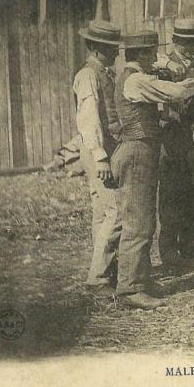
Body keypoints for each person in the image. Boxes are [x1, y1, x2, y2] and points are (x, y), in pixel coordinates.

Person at [112, 30, 194, 310]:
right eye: (151, 52)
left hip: (142, 149)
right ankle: (130, 288)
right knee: (138, 222)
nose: (156, 56)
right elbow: (175, 92)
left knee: (144, 220)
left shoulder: (136, 76)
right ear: (140, 54)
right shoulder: (136, 79)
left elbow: (165, 69)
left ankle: (140, 279)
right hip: (137, 150)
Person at [74, 20, 123, 298]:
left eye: (114, 48)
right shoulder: (88, 76)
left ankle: (104, 270)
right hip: (98, 150)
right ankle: (98, 277)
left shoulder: (105, 72)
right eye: (108, 49)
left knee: (102, 212)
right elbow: (89, 118)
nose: (115, 53)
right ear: (94, 48)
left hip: (104, 147)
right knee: (115, 210)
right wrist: (100, 156)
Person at [156, 19, 194, 264]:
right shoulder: (164, 64)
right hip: (173, 135)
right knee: (171, 194)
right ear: (175, 41)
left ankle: (189, 243)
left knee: (193, 192)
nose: (189, 47)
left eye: (193, 42)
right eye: (185, 42)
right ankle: (168, 249)